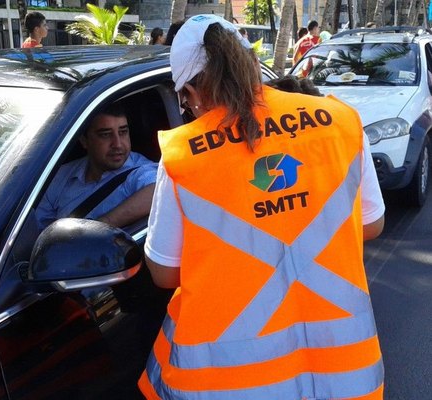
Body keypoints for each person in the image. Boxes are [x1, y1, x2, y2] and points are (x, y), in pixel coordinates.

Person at [138, 14, 385, 400]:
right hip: (343, 375)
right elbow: (371, 224)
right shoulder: (341, 122)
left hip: (229, 386)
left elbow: (165, 273)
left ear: (191, 92)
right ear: (252, 64)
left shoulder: (184, 155)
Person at [35, 102, 157, 230]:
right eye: (105, 134)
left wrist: (102, 225)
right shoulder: (61, 176)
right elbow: (37, 229)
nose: (118, 144)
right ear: (84, 141)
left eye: (123, 132)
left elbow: (160, 189)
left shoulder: (139, 171)